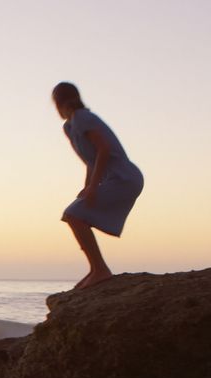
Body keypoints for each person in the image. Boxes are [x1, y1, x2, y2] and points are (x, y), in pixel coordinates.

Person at [53, 82, 143, 289]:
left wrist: (93, 187)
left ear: (59, 102)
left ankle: (101, 270)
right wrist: (86, 187)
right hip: (114, 179)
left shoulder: (83, 117)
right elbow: (91, 161)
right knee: (73, 214)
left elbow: (103, 149)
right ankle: (96, 269)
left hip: (125, 178)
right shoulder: (69, 127)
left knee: (74, 215)